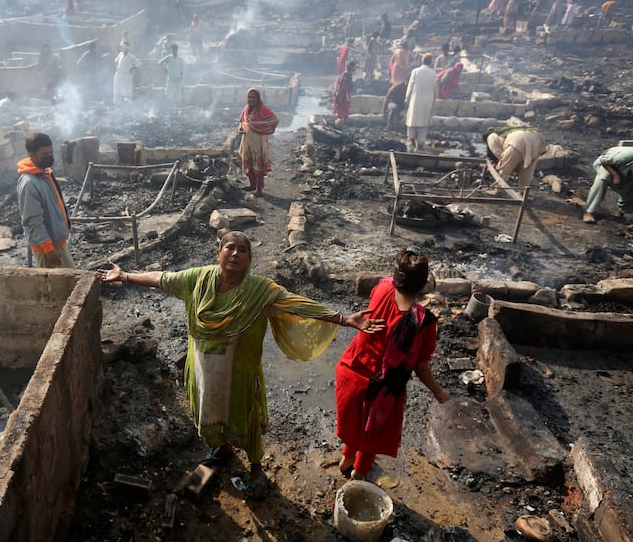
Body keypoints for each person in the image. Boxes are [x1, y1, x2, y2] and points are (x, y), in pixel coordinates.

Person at [94, 231, 385, 499]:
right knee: (206, 409)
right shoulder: (198, 278)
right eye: (229, 248)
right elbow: (162, 278)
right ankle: (221, 448)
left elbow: (297, 303)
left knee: (244, 418)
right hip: (202, 368)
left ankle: (257, 470)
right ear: (218, 253)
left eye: (242, 250)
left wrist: (344, 318)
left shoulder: (260, 291)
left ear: (249, 258)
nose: (235, 254)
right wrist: (125, 276)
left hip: (240, 372)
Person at [335, 246, 450, 481]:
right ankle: (357, 477)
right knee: (371, 436)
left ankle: (346, 462)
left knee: (354, 426)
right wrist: (439, 392)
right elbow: (420, 366)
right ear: (423, 286)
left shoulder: (382, 287)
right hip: (383, 390)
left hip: (351, 373)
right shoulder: (423, 322)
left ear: (397, 276)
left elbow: (391, 282)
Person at [17, 132, 74, 269]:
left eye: (51, 153)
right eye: (44, 154)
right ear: (32, 155)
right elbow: (33, 221)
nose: (49, 157)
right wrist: (48, 249)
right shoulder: (29, 183)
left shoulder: (44, 172)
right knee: (59, 286)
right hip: (47, 247)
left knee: (69, 280)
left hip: (57, 242)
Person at [238, 88, 279, 196]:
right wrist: (241, 127)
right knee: (248, 163)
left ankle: (259, 189)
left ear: (258, 98)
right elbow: (242, 120)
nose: (251, 100)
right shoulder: (247, 109)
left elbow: (274, 120)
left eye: (253, 97)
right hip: (247, 140)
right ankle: (252, 185)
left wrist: (261, 128)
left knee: (258, 165)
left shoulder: (263, 109)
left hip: (258, 142)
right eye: (249, 97)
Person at [582, 146, 633, 223]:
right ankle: (589, 211)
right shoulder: (623, 157)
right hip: (608, 165)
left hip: (626, 170)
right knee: (603, 179)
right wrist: (616, 175)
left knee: (628, 188)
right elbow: (604, 161)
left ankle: (622, 211)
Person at [404, 53, 437, 153]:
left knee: (412, 120)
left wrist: (407, 99)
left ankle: (411, 140)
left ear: (422, 61)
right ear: (430, 62)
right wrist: (434, 100)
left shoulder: (416, 71)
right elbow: (435, 90)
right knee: (424, 122)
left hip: (416, 99)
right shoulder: (433, 73)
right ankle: (421, 143)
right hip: (428, 100)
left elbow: (410, 87)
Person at [158, 43, 184, 109]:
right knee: (168, 93)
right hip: (171, 79)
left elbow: (182, 70)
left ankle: (176, 108)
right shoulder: (169, 57)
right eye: (172, 49)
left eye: (174, 49)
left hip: (177, 79)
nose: (173, 51)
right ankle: (168, 107)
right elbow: (160, 62)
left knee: (177, 94)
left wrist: (181, 77)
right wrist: (164, 69)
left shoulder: (180, 59)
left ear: (177, 50)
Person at [333, 60, 356, 125]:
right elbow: (343, 86)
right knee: (341, 112)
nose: (355, 68)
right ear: (351, 67)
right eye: (354, 66)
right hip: (341, 95)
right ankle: (338, 124)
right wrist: (342, 97)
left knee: (343, 111)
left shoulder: (347, 74)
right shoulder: (346, 74)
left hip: (343, 95)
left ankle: (340, 124)